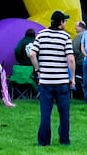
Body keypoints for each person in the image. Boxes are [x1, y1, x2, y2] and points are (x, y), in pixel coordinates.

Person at [31, 10, 74, 147]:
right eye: (65, 21)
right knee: (64, 113)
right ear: (61, 23)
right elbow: (71, 59)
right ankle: (64, 139)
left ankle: (43, 141)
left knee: (45, 113)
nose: (66, 23)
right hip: (61, 81)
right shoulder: (65, 37)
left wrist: (38, 70)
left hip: (46, 81)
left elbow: (32, 54)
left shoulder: (41, 35)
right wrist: (72, 77)